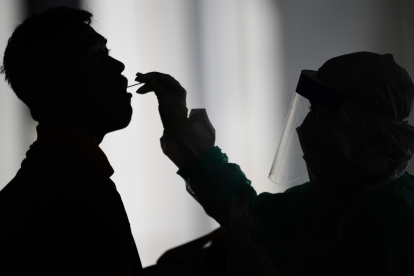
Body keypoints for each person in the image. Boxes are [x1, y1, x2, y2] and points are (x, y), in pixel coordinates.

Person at [136, 52, 414, 275]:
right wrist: (178, 123)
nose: (305, 127)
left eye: (319, 116)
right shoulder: (333, 197)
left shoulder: (390, 213)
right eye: (308, 112)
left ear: (356, 129)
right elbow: (247, 215)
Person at [0, 7, 142, 275]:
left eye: (107, 53)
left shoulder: (49, 178)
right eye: (96, 57)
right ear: (55, 88)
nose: (118, 66)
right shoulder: (77, 190)